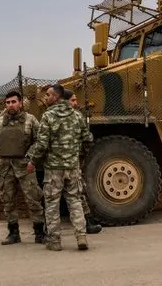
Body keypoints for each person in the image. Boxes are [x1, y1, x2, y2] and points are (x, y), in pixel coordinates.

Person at [26, 84, 89, 251]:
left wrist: (33, 162)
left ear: (56, 97)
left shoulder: (48, 116)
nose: (46, 98)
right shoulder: (77, 116)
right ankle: (81, 236)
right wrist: (77, 155)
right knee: (74, 200)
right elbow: (87, 138)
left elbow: (42, 145)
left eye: (48, 95)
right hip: (72, 166)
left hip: (54, 169)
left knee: (52, 203)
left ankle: (54, 241)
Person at [0, 91, 45, 245]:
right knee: (8, 201)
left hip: (25, 167)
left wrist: (29, 157)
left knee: (33, 199)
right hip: (6, 168)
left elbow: (39, 141)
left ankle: (40, 232)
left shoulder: (30, 120)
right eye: (7, 102)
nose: (10, 105)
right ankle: (13, 233)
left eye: (13, 102)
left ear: (20, 103)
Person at [66, 90, 102, 234]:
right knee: (70, 194)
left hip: (70, 160)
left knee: (77, 192)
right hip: (65, 162)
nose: (76, 103)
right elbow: (87, 139)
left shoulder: (51, 116)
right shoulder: (56, 116)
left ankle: (87, 221)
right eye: (73, 100)